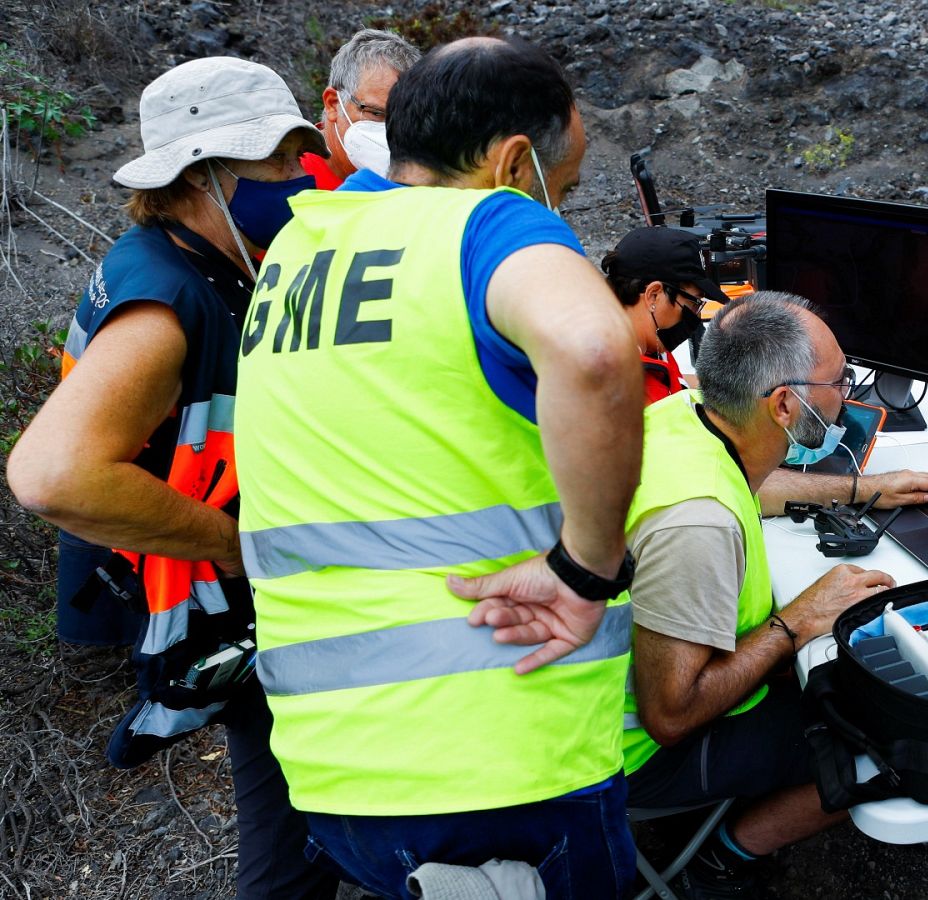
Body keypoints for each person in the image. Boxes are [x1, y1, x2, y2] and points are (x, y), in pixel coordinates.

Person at [233, 37, 642, 900]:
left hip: (332, 769)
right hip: (500, 752)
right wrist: (589, 565)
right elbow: (596, 351)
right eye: (563, 189)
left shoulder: (302, 249)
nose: (559, 208)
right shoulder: (489, 219)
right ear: (514, 162)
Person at [7, 58, 336, 898]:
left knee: (291, 791)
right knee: (290, 807)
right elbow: (52, 475)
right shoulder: (164, 299)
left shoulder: (203, 258)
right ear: (200, 174)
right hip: (197, 582)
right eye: (274, 160)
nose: (296, 175)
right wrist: (234, 544)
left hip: (197, 581)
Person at [616, 291, 894, 898]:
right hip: (638, 755)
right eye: (838, 382)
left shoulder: (686, 415)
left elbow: (750, 481)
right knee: (890, 740)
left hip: (614, 700)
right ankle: (721, 858)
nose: (846, 396)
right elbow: (671, 717)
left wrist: (864, 488)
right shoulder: (698, 524)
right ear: (785, 404)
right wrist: (797, 620)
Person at [600, 226, 928, 515]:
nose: (695, 316)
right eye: (691, 304)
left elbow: (684, 387)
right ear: (653, 295)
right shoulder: (615, 390)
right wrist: (865, 489)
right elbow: (741, 482)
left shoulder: (643, 346)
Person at [301, 28, 419, 188]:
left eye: (404, 120)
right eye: (376, 113)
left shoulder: (417, 181)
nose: (391, 131)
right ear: (333, 104)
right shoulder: (288, 178)